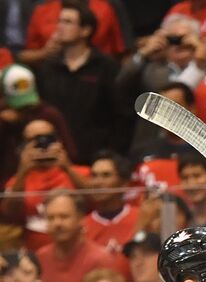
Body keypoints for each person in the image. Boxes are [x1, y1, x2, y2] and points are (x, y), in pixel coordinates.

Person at [33, 0, 124, 163]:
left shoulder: (106, 66)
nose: (60, 26)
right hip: (55, 155)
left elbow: (119, 113)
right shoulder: (48, 66)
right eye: (59, 21)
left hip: (96, 155)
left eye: (67, 22)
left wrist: (112, 151)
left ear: (85, 30)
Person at [2, 118, 89, 250]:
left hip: (79, 244)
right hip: (35, 247)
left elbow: (96, 200)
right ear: (24, 145)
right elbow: (9, 213)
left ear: (58, 141)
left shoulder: (80, 172)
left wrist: (67, 167)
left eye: (47, 139)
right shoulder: (16, 181)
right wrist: (22, 171)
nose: (42, 145)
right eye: (34, 140)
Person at [36, 191, 122, 282]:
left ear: (81, 218)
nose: (57, 224)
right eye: (51, 218)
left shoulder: (99, 259)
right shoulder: (40, 257)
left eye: (64, 217)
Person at [83, 150, 139, 259]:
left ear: (124, 183)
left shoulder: (141, 218)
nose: (97, 182)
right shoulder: (81, 227)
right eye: (94, 176)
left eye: (106, 175)